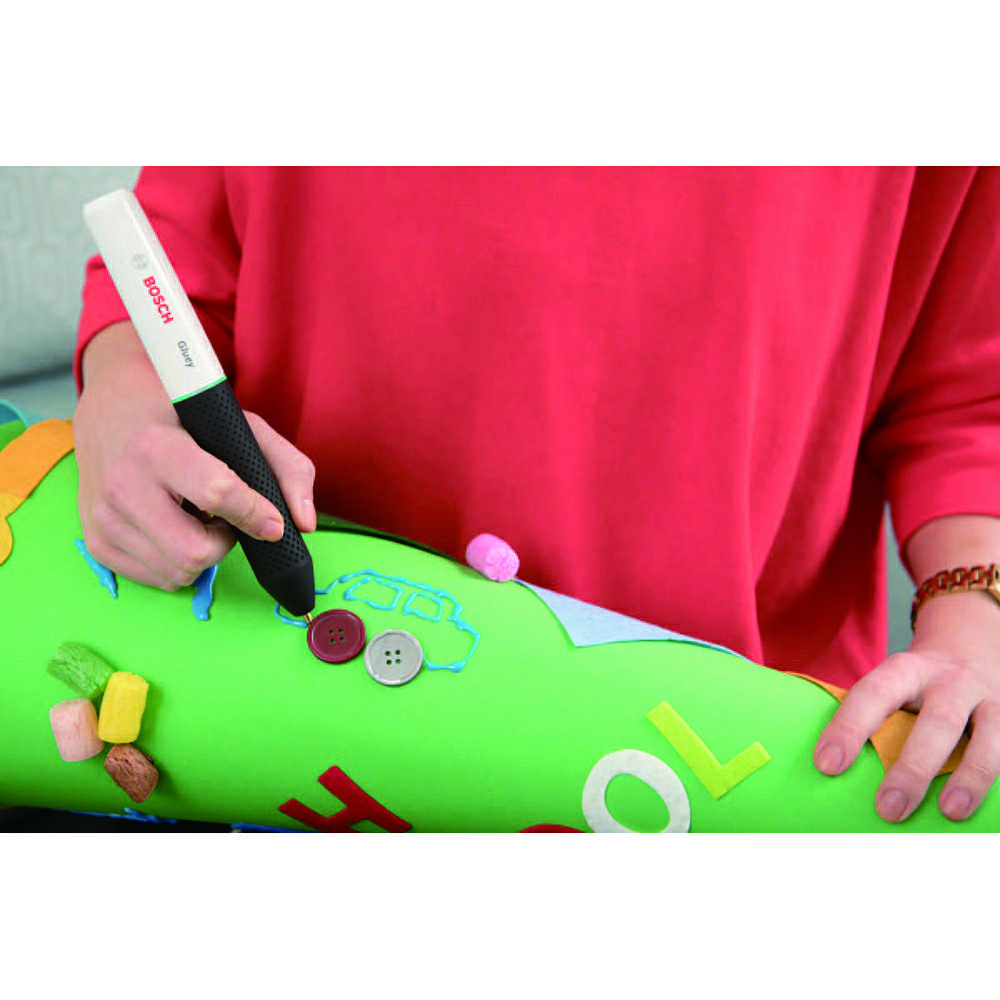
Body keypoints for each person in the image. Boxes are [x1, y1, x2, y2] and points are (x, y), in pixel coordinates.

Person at [73, 166, 1000, 825]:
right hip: (277, 710)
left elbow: (967, 391)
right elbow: (171, 278)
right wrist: (122, 394)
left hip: (728, 751)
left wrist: (976, 612)